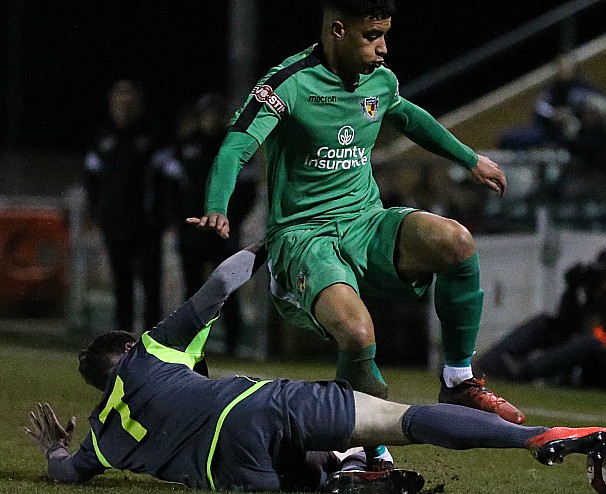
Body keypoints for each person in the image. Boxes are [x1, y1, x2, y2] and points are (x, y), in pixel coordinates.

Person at [190, 3, 524, 472]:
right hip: (303, 236)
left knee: (456, 242)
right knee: (357, 332)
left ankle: (458, 379)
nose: (383, 47)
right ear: (337, 30)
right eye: (372, 36)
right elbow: (237, 145)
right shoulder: (289, 82)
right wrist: (217, 206)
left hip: (366, 221)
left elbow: (408, 117)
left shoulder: (380, 80)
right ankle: (367, 450)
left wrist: (470, 159)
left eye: (385, 34)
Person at [25, 244, 606, 493]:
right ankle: (536, 438)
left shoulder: (102, 440)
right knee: (406, 419)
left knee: (305, 475)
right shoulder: (154, 349)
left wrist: (56, 447)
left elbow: (63, 474)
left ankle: (346, 482)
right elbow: (219, 286)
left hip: (231, 464)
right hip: (257, 403)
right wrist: (273, 244)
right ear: (128, 350)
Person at [156, 93, 258, 354]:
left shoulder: (234, 145)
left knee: (227, 288)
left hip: (223, 232)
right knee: (192, 291)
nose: (211, 119)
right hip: (191, 230)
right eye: (207, 114)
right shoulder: (184, 146)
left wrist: (229, 220)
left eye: (216, 114)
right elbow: (169, 187)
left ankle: (232, 345)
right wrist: (176, 220)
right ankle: (189, 345)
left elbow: (248, 190)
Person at [477, 249, 606, 392]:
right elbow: (566, 323)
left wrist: (604, 305)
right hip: (590, 363)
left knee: (593, 343)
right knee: (545, 323)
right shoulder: (594, 297)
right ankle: (489, 363)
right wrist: (572, 289)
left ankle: (523, 371)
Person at [84, 80, 167, 333]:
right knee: (121, 282)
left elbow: (165, 180)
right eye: (119, 101)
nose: (123, 106)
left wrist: (162, 214)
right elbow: (92, 179)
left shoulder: (154, 135)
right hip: (115, 221)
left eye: (129, 101)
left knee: (150, 283)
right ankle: (123, 337)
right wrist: (98, 212)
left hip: (147, 222)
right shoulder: (103, 136)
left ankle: (154, 340)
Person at [499, 53, 605, 150]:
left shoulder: (582, 88)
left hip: (575, 133)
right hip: (549, 128)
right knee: (508, 138)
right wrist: (554, 114)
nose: (563, 70)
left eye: (566, 67)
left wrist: (571, 113)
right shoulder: (553, 89)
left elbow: (598, 107)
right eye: (560, 67)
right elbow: (541, 109)